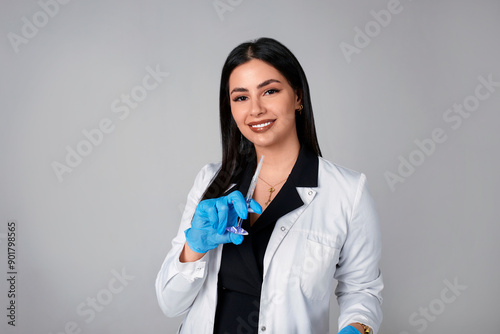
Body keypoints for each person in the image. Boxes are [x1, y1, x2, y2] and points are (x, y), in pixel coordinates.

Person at [155, 37, 383, 334]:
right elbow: (170, 304)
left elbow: (362, 290)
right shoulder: (211, 182)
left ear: (298, 97)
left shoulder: (347, 192)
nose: (256, 110)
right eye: (241, 98)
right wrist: (193, 247)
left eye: (270, 91)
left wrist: (357, 328)